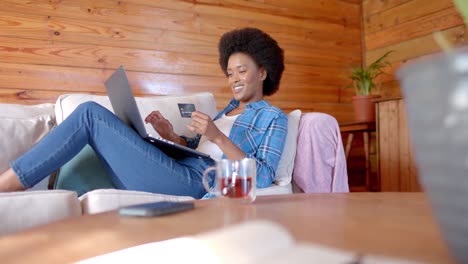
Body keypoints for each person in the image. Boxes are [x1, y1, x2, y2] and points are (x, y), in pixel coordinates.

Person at [0, 28, 288, 198]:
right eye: (229, 72)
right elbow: (198, 149)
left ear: (262, 72)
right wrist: (171, 135)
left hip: (201, 182)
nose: (234, 79)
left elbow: (261, 176)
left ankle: (7, 185)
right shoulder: (226, 111)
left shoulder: (273, 118)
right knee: (99, 120)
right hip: (178, 169)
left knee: (89, 114)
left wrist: (217, 136)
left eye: (242, 71)